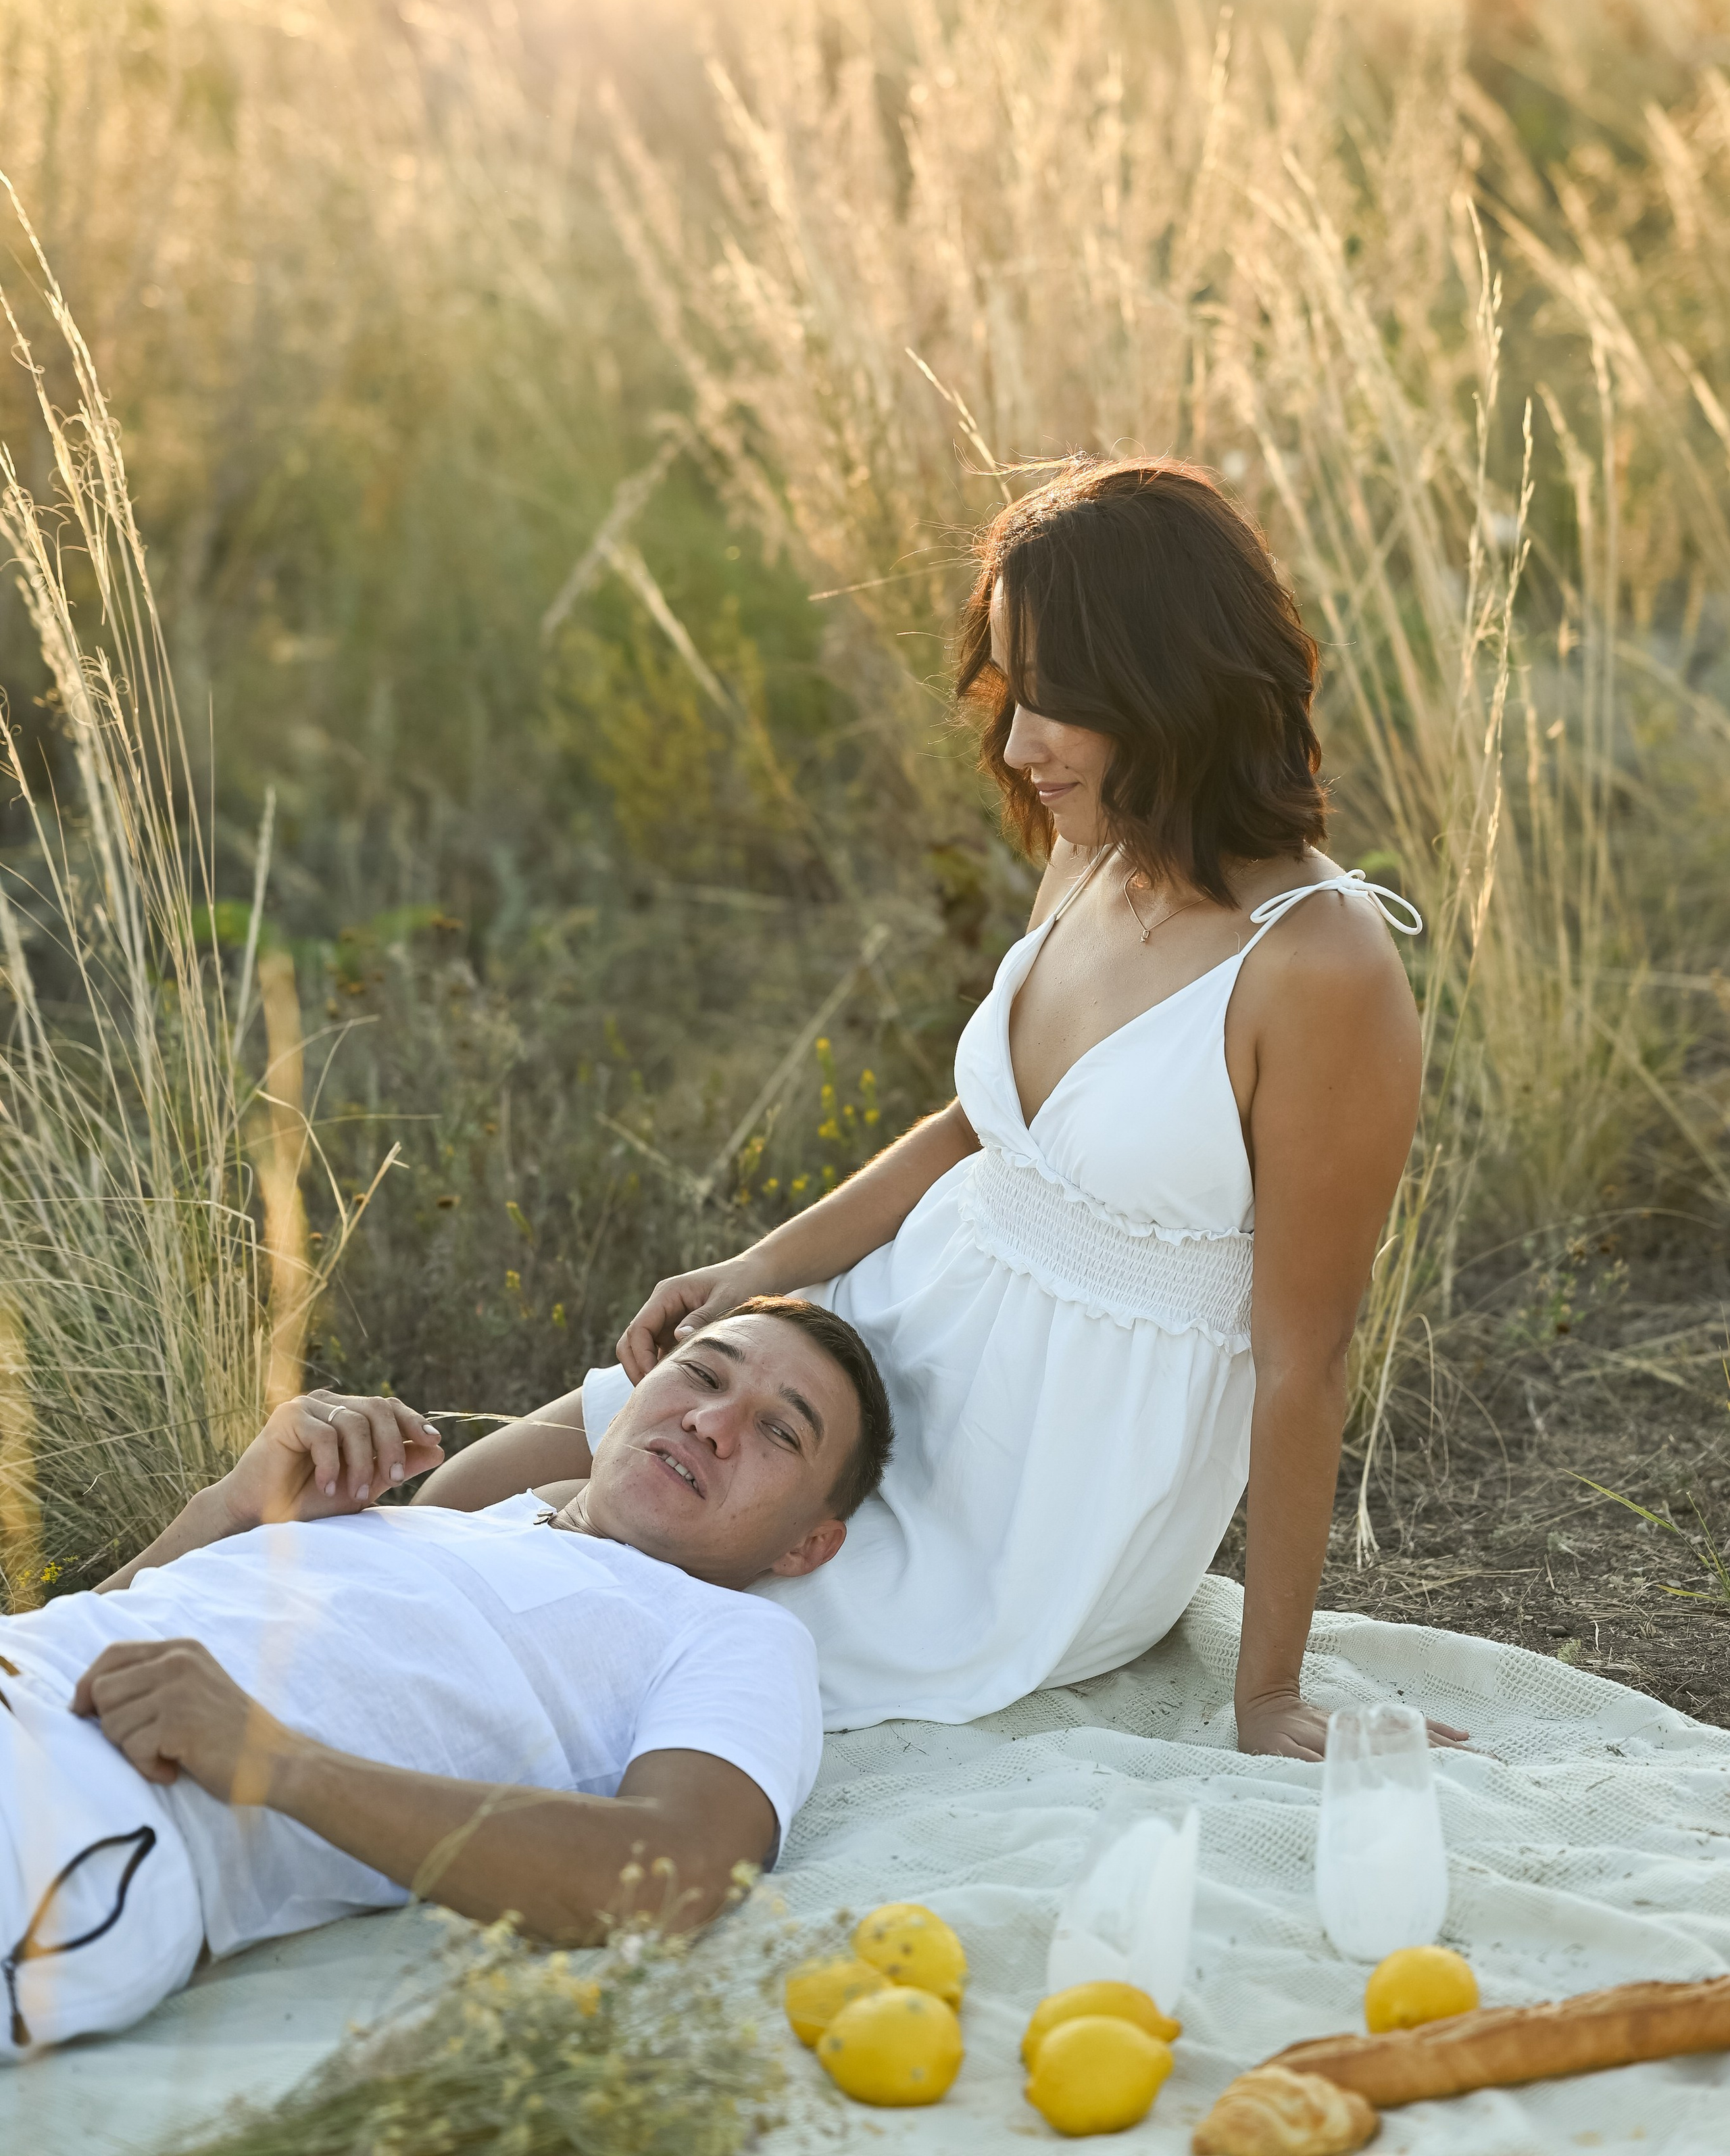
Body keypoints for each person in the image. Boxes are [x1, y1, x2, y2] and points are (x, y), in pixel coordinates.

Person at [435, 458, 1467, 1762]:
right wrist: (759, 1272)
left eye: (1061, 699)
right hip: (897, 1337)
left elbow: (1304, 1359)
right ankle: (188, 1622)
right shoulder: (1099, 844)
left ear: (1174, 686)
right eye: (1011, 685)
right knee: (486, 1485)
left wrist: (1269, 1693)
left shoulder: (1322, 967)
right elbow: (983, 1129)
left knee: (587, 1616)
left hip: (1045, 1490)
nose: (1020, 740)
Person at [0, 1296, 891, 2055]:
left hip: (105, 1802)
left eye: (778, 1430)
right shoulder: (454, 1524)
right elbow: (97, 1625)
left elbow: (675, 1870)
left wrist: (281, 1763)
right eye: (703, 1375)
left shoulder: (732, 1635)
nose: (711, 1422)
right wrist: (231, 1508)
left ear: (811, 1542)